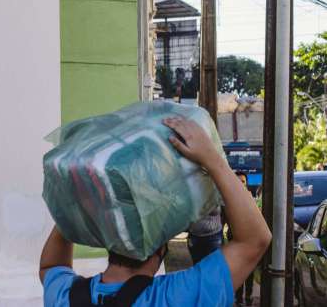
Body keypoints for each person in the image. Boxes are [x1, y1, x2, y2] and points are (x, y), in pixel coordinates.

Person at [39, 117, 272, 306]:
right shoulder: (176, 298)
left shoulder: (66, 297)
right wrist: (213, 160)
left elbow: (50, 267)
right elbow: (256, 239)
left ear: (109, 234)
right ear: (161, 246)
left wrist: (80, 199)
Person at [225, 173, 255, 306]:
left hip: (250, 240)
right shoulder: (229, 198)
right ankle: (238, 299)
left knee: (249, 271)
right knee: (237, 270)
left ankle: (248, 297)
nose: (240, 183)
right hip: (234, 240)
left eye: (243, 181)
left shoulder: (251, 198)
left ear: (246, 183)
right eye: (238, 181)